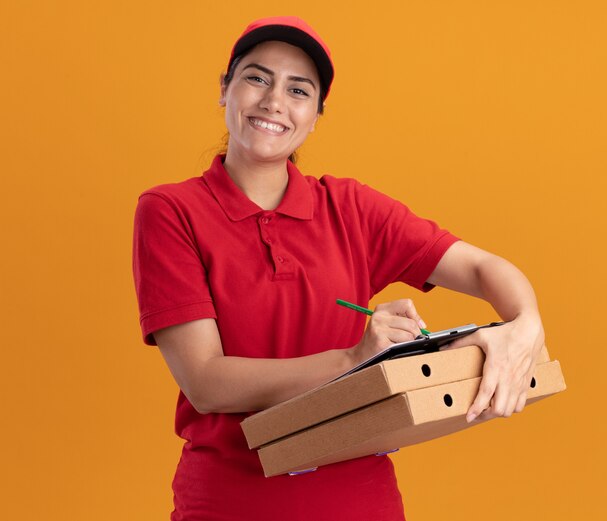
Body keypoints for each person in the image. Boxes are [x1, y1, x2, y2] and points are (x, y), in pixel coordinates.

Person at [132, 16, 545, 521]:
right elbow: (205, 381)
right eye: (256, 78)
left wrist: (525, 323)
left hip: (361, 503)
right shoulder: (170, 211)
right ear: (225, 89)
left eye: (298, 90)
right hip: (230, 503)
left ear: (315, 115)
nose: (273, 101)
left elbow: (482, 267)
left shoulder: (351, 208)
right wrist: (354, 358)